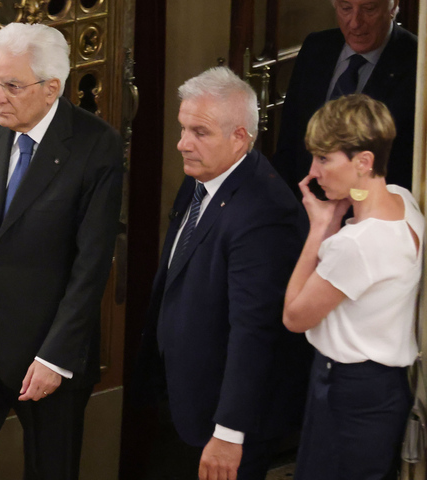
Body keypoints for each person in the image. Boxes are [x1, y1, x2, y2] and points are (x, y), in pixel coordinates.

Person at [0, 22, 123, 479]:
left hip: (45, 347)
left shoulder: (96, 146)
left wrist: (55, 356)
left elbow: (90, 266)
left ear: (51, 88)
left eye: (12, 86)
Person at [132, 67, 310, 480]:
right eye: (182, 129)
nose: (182, 144)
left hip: (226, 423)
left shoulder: (263, 212)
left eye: (200, 132)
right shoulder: (202, 178)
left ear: (240, 138)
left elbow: (254, 331)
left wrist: (229, 432)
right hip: (185, 401)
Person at [283, 94, 423, 480]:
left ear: (364, 161)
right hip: (382, 390)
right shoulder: (404, 201)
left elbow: (294, 316)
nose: (313, 172)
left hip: (348, 391)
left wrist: (319, 229)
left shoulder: (356, 245)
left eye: (324, 159)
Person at [272, 0, 417, 198]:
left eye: (369, 9)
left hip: (371, 218)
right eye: (345, 8)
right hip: (303, 211)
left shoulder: (417, 61)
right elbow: (289, 143)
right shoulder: (316, 48)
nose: (355, 22)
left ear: (393, 4)